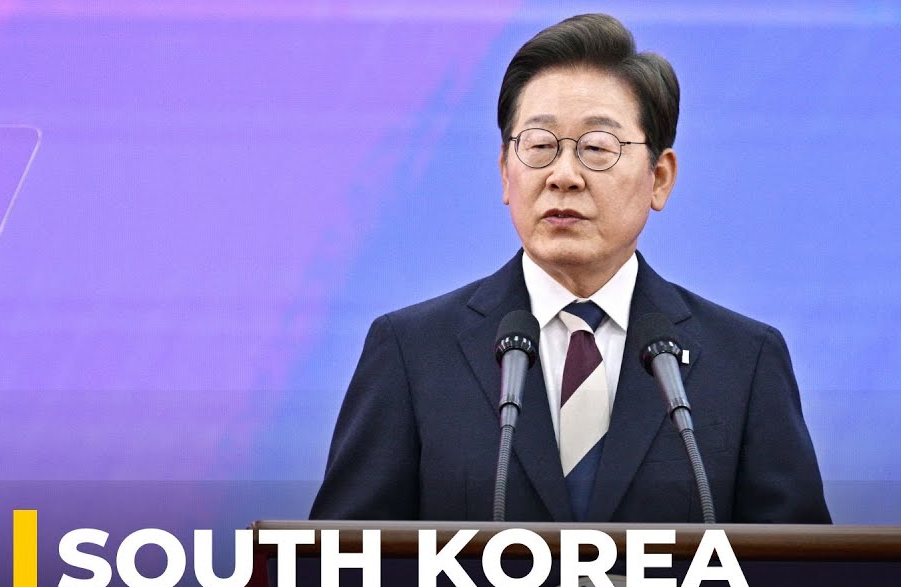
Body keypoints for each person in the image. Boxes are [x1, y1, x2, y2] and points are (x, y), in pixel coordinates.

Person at [310, 13, 831, 524]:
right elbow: (340, 571)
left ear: (660, 178)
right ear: (505, 174)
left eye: (596, 148)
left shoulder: (744, 361)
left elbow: (799, 582)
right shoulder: (412, 352)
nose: (564, 175)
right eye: (539, 147)